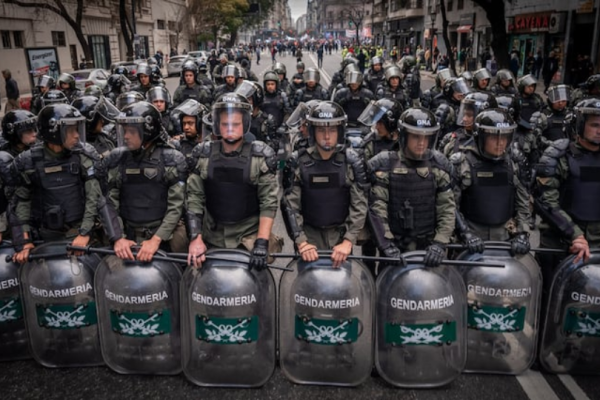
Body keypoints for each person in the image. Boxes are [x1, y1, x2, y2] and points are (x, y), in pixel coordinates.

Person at [185, 93, 281, 270]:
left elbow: (268, 202)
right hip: (212, 235)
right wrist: (196, 238)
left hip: (248, 237)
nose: (230, 129)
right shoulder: (203, 156)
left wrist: (261, 242)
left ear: (245, 124)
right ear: (217, 125)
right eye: (225, 124)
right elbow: (194, 199)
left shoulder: (260, 157)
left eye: (235, 124)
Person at [10, 104, 103, 263]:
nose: (77, 136)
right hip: (45, 238)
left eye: (77, 130)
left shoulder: (83, 155)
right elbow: (22, 201)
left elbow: (94, 197)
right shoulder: (29, 161)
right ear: (54, 133)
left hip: (79, 236)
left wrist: (85, 233)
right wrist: (24, 241)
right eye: (71, 131)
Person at [281, 101, 368, 268]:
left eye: (332, 130)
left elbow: (359, 205)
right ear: (313, 131)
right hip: (309, 239)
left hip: (340, 238)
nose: (327, 136)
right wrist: (302, 242)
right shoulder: (298, 161)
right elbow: (290, 206)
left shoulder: (351, 162)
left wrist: (348, 241)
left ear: (340, 131)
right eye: (321, 130)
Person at [368, 107, 456, 267]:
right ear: (404, 136)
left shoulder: (437, 166)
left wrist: (439, 244)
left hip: (428, 250)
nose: (421, 142)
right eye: (416, 136)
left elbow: (447, 209)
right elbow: (378, 208)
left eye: (426, 137)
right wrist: (386, 244)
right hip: (395, 249)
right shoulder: (387, 164)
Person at [100, 102, 188, 261]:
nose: (126, 136)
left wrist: (156, 240)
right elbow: (109, 201)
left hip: (163, 236)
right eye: (125, 130)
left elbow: (176, 206)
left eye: (132, 131)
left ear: (147, 132)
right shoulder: (118, 159)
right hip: (128, 236)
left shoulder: (170, 159)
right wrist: (118, 238)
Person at [534, 98, 600, 302]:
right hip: (560, 243)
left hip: (597, 245)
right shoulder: (559, 155)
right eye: (595, 125)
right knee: (552, 301)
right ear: (580, 124)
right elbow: (546, 201)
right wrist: (575, 236)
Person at [450, 109, 531, 253]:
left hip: (506, 236)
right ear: (481, 137)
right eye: (494, 138)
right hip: (470, 237)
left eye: (504, 137)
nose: (500, 143)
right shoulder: (462, 163)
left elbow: (523, 202)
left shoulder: (514, 163)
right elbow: (451, 205)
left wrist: (523, 233)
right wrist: (465, 233)